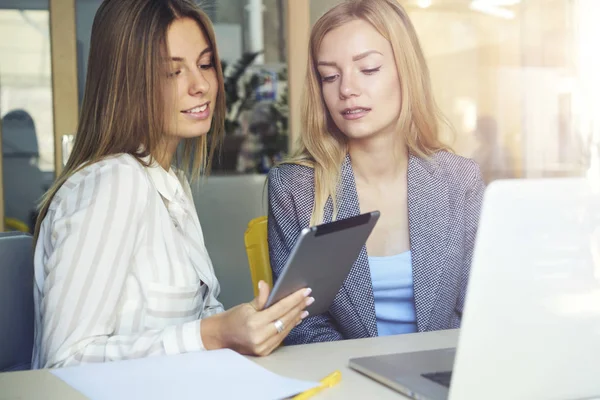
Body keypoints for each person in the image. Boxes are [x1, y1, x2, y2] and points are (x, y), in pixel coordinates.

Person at [32, 0, 312, 369]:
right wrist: (213, 334)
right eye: (172, 72)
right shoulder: (114, 183)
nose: (201, 85)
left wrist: (243, 325)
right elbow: (64, 361)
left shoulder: (169, 184)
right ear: (126, 82)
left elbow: (191, 329)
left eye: (205, 64)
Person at [267, 0, 485, 345]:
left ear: (405, 72)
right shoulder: (295, 186)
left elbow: (478, 308)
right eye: (330, 76)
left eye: (368, 69)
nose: (347, 90)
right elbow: (303, 325)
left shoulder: (460, 181)